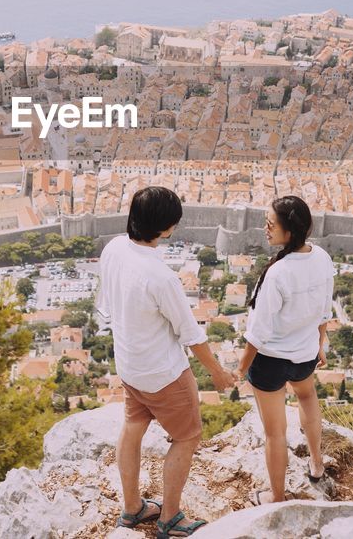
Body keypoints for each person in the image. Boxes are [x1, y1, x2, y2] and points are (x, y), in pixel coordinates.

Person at [96, 186, 235, 538]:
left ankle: (131, 508)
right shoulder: (160, 276)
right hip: (164, 373)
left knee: (132, 427)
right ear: (167, 227)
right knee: (187, 437)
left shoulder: (113, 249)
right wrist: (218, 373)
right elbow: (191, 334)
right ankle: (169, 517)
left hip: (129, 364)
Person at [236, 195, 336, 505]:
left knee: (275, 433)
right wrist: (319, 346)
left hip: (270, 362)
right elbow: (324, 312)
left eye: (270, 224)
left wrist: (240, 371)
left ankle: (276, 497)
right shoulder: (322, 258)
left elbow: (259, 334)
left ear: (289, 232)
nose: (265, 229)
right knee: (307, 397)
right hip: (305, 353)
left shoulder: (278, 273)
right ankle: (317, 464)